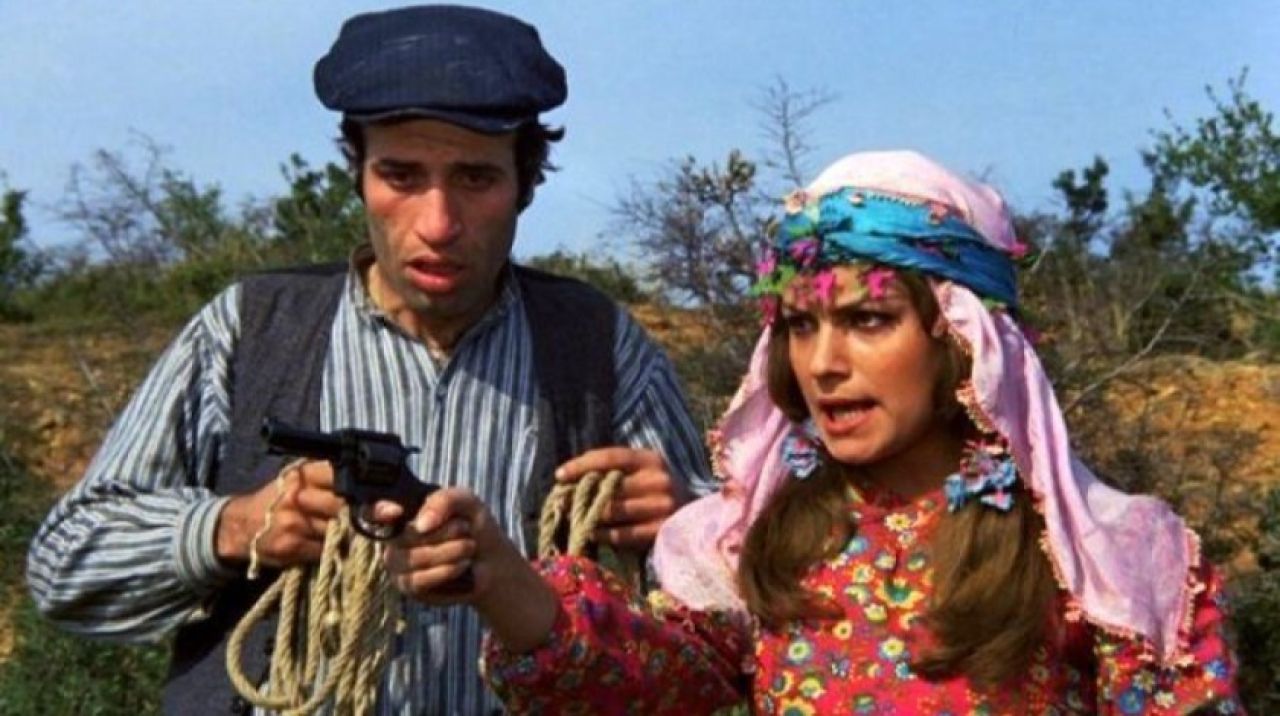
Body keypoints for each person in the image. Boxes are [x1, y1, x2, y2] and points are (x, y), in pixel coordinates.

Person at [25, 5, 713, 715]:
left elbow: (729, 614)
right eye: (402, 176)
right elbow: (64, 564)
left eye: (476, 179)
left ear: (526, 182)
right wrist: (235, 528)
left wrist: (685, 524)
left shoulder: (599, 343)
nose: (438, 224)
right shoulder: (249, 328)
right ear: (358, 173)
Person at [378, 150, 1243, 713]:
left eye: (868, 321)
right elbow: (648, 680)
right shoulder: (762, 537)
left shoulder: (1109, 563)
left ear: (960, 338)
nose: (823, 363)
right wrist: (498, 577)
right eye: (799, 326)